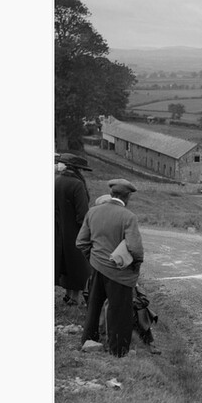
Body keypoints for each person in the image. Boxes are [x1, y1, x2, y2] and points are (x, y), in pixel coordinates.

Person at [76, 178, 146, 357]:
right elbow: (135, 248)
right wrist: (136, 265)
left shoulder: (93, 212)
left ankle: (89, 340)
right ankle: (118, 350)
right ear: (127, 196)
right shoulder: (128, 217)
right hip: (119, 274)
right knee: (119, 312)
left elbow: (81, 242)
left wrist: (93, 258)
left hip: (97, 268)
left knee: (94, 306)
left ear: (111, 194)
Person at [55, 153, 92, 306]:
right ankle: (75, 298)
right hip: (76, 231)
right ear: (76, 169)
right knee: (78, 265)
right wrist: (87, 233)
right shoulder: (77, 184)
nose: (82, 173)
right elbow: (82, 213)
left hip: (59, 229)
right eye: (81, 170)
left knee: (65, 262)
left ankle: (69, 295)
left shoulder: (57, 181)